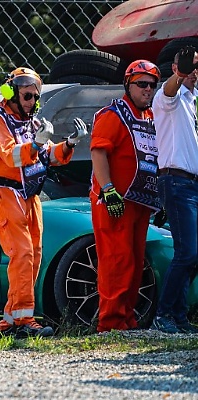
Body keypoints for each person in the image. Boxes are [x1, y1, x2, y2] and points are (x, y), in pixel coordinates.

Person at [0, 67, 87, 337]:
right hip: (3, 191)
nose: (32, 102)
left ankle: (13, 321)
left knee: (34, 255)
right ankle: (23, 322)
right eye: (27, 96)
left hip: (29, 194)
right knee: (23, 253)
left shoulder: (31, 122)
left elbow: (48, 156)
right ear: (10, 93)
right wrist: (35, 145)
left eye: (35, 97)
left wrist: (69, 144)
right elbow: (11, 157)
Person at [90, 60, 163, 333]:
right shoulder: (113, 115)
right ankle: (109, 324)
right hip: (115, 200)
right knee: (116, 260)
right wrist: (108, 190)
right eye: (141, 84)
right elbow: (99, 152)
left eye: (152, 85)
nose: (148, 90)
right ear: (128, 85)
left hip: (140, 201)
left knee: (134, 261)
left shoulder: (149, 117)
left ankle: (126, 320)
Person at [151, 46, 198, 334]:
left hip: (192, 182)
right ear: (177, 68)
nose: (194, 71)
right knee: (188, 252)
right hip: (177, 181)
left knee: (194, 253)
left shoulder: (194, 101)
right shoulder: (168, 98)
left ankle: (178, 316)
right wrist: (179, 74)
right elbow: (169, 90)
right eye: (189, 65)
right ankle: (164, 313)